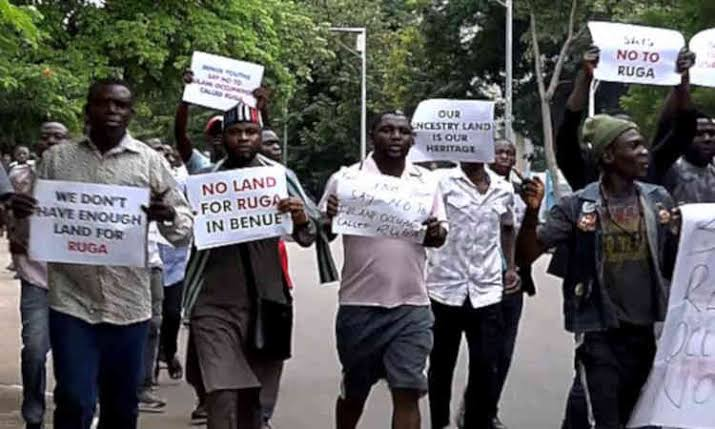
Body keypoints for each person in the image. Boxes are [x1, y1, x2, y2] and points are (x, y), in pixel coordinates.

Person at [11, 79, 194, 429]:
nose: (112, 110)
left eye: (120, 105)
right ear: (87, 110)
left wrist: (168, 215)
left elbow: (184, 226)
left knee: (121, 407)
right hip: (71, 302)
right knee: (74, 399)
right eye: (103, 103)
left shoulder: (149, 161)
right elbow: (32, 229)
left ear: (130, 113)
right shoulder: (56, 160)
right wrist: (21, 214)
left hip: (129, 305)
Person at [516, 114, 679, 429]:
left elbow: (675, 260)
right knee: (605, 421)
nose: (644, 152)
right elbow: (526, 254)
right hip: (598, 334)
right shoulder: (577, 206)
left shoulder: (658, 200)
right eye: (634, 146)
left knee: (639, 419)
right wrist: (532, 213)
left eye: (643, 145)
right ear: (608, 155)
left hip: (646, 334)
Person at [182, 100, 315, 429]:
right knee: (221, 395)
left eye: (251, 131)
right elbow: (179, 229)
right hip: (214, 306)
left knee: (254, 407)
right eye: (236, 132)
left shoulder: (279, 177)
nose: (243, 138)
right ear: (223, 138)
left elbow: (310, 235)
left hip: (268, 304)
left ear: (259, 135)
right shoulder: (204, 181)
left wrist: (300, 218)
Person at [320, 111, 448, 429]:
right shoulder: (346, 180)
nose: (395, 137)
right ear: (372, 136)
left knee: (408, 390)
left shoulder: (426, 182)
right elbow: (323, 233)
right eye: (387, 130)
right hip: (359, 306)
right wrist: (329, 217)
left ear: (412, 140)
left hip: (412, 306)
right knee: (355, 391)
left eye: (403, 132)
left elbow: (439, 236)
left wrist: (435, 232)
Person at [425, 159, 517, 429]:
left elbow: (507, 227)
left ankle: (475, 421)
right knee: (441, 365)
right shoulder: (440, 181)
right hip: (445, 288)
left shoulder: (502, 188)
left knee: (486, 365)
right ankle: (439, 423)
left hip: (486, 290)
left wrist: (511, 267)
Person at [7, 122, 68, 429]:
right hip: (36, 278)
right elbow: (9, 222)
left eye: (59, 136)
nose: (51, 141)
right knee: (34, 349)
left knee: (72, 354)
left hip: (75, 282)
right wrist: (14, 216)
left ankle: (71, 411)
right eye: (46, 136)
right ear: (38, 143)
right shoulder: (18, 179)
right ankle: (33, 416)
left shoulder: (82, 180)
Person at [156, 144, 190, 383]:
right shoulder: (136, 185)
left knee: (172, 314)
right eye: (156, 152)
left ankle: (169, 352)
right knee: (151, 319)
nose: (163, 156)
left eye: (166, 153)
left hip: (176, 263)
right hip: (147, 263)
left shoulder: (183, 183)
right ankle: (148, 370)